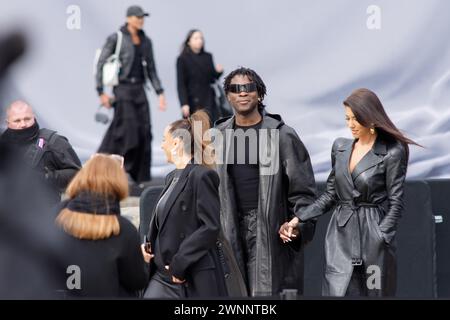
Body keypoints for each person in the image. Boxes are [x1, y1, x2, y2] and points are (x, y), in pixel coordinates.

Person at [281, 88, 420, 297]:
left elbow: (396, 203)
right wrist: (298, 219)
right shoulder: (340, 147)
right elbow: (330, 195)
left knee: (374, 292)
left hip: (373, 236)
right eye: (347, 118)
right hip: (340, 235)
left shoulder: (392, 151)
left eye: (356, 119)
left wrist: (381, 236)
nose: (351, 124)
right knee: (337, 291)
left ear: (372, 119)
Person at [214, 67, 317, 297]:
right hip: (228, 229)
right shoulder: (217, 136)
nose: (242, 93)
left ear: (259, 94)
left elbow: (303, 193)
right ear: (228, 96)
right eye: (235, 89)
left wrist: (296, 226)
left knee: (264, 297)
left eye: (248, 88)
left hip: (269, 231)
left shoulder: (282, 135)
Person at [142, 110, 228, 298]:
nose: (162, 145)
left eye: (165, 140)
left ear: (176, 143)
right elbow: (163, 224)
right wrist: (147, 246)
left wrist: (179, 263)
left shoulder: (202, 176)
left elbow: (210, 227)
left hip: (190, 274)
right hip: (161, 275)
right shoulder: (171, 177)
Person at [54, 154, 149, 297]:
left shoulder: (57, 218)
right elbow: (136, 281)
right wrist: (143, 262)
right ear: (117, 181)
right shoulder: (124, 230)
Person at [96, 5, 167, 184]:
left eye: (142, 17)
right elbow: (101, 63)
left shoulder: (146, 41)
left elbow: (151, 68)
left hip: (140, 90)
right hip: (123, 89)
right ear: (129, 18)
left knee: (144, 131)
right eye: (137, 17)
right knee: (127, 131)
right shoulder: (116, 38)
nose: (141, 20)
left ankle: (138, 176)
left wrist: (160, 92)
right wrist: (101, 92)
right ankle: (118, 169)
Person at [0, 100, 81, 204]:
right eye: (17, 121)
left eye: (27, 119)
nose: (23, 124)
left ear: (34, 117)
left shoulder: (54, 142)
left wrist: (46, 177)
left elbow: (78, 174)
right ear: (8, 123)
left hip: (44, 214)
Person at [176, 29, 224, 124]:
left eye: (201, 38)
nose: (200, 40)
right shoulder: (182, 59)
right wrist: (184, 103)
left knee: (213, 128)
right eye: (196, 38)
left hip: (209, 99)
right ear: (189, 41)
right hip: (193, 101)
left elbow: (212, 78)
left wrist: (218, 72)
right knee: (197, 131)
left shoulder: (208, 56)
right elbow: (181, 84)